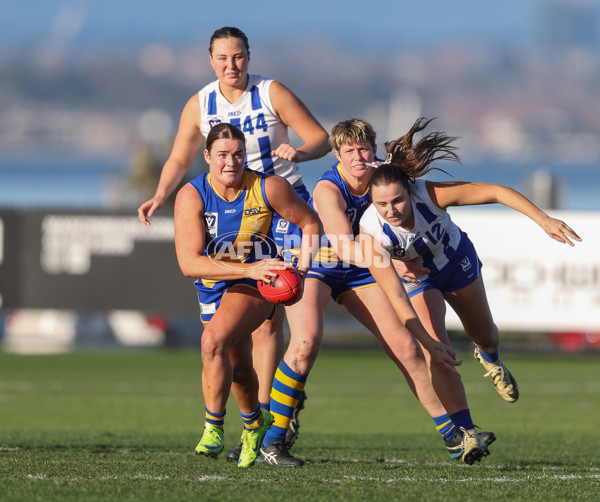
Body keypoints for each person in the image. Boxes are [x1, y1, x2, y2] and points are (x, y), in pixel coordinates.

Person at [138, 27, 331, 459]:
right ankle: (257, 419)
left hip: (275, 203)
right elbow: (178, 157)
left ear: (249, 56)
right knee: (233, 344)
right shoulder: (200, 104)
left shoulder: (271, 92)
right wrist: (161, 194)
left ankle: (272, 410)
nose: (232, 65)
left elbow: (320, 137)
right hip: (227, 212)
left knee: (272, 318)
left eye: (239, 57)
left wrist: (297, 153)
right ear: (210, 60)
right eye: (223, 58)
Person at [258, 118, 493, 467]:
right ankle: (272, 442)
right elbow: (343, 245)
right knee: (305, 343)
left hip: (361, 267)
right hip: (319, 261)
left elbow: (415, 215)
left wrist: (399, 258)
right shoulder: (328, 188)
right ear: (337, 154)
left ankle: (454, 436)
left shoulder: (386, 180)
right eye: (349, 150)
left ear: (373, 148)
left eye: (363, 148)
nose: (357, 156)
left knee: (406, 349)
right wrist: (394, 263)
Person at [359, 117, 582, 407]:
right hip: (418, 277)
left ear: (410, 192)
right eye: (382, 204)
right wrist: (428, 343)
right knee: (438, 353)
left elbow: (497, 191)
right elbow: (397, 300)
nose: (391, 211)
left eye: (398, 201)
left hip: (454, 260)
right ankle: (465, 434)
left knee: (486, 336)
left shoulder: (431, 194)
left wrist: (544, 220)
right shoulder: (371, 232)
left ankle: (491, 359)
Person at [173, 123, 322, 468]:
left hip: (259, 283)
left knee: (211, 342)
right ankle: (256, 423)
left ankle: (213, 427)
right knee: (238, 368)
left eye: (238, 154)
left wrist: (300, 267)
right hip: (215, 284)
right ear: (207, 156)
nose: (231, 162)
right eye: (222, 155)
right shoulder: (191, 195)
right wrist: (245, 269)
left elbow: (311, 223)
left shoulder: (269, 187)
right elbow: (189, 263)